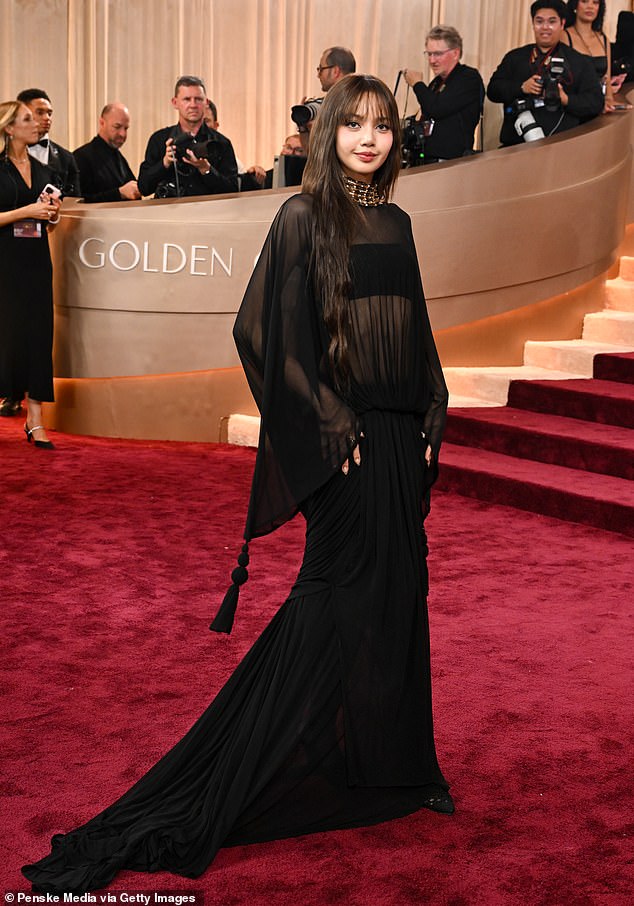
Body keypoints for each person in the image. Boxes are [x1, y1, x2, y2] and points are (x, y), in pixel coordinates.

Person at [22, 73, 452, 894]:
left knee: (399, 596)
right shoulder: (303, 215)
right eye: (352, 124)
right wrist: (325, 414)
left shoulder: (397, 218)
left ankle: (398, 766)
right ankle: (239, 770)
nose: (368, 138)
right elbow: (259, 330)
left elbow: (414, 321)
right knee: (328, 603)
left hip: (401, 439)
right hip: (348, 443)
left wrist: (434, 397)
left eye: (383, 127)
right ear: (328, 134)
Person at [0, 101, 61, 450]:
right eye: (27, 119)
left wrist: (52, 216)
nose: (36, 123)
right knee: (7, 336)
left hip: (38, 259)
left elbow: (49, 222)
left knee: (40, 336)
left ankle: (35, 419)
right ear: (9, 129)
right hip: (5, 261)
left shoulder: (44, 169)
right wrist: (28, 210)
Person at [487, 0, 604, 146]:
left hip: (563, 144)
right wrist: (521, 87)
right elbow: (492, 91)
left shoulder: (578, 62)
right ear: (533, 24)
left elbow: (596, 102)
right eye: (539, 21)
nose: (545, 27)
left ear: (562, 24)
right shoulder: (515, 57)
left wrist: (566, 99)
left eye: (552, 21)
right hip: (516, 145)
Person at [138, 76, 238, 198]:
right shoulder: (159, 140)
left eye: (198, 99)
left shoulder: (221, 143)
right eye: (186, 99)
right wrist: (165, 163)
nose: (193, 105)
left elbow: (233, 191)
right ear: (175, 103)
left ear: (206, 103)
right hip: (169, 214)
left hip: (208, 214)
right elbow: (143, 188)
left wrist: (206, 170)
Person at [403, 25, 484, 163]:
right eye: (429, 54)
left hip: (451, 162)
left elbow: (436, 108)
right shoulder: (436, 83)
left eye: (438, 54)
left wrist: (417, 84)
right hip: (426, 159)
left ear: (455, 53)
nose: (432, 60)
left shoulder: (468, 78)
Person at [17, 89, 80, 196]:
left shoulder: (66, 158)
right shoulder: (6, 155)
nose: (47, 118)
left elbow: (75, 199)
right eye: (40, 112)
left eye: (49, 113)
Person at [563, 0, 626, 110]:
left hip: (598, 104)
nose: (590, 6)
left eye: (595, 2)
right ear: (575, 5)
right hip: (575, 104)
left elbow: (607, 78)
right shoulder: (564, 36)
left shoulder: (603, 39)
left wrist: (609, 100)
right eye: (585, 1)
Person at [73, 103, 141, 203]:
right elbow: (77, 202)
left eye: (126, 128)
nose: (123, 134)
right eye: (117, 127)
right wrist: (119, 193)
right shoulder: (81, 157)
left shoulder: (118, 157)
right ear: (102, 123)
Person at [295, 47, 357, 152]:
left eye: (320, 69)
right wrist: (303, 127)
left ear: (335, 71)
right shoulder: (324, 104)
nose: (318, 75)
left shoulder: (358, 103)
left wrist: (323, 129)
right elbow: (311, 152)